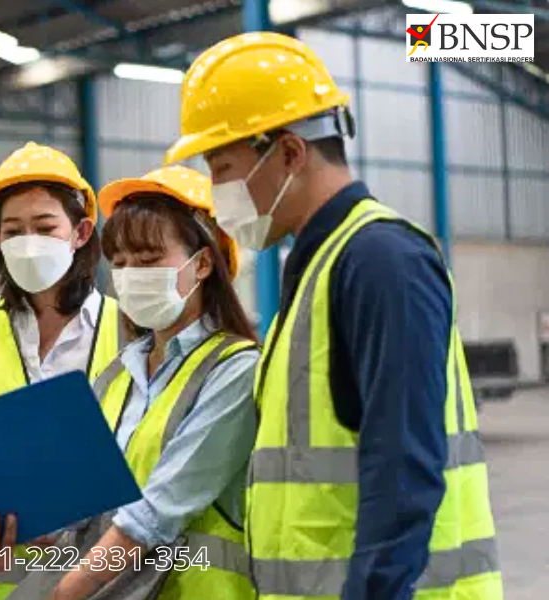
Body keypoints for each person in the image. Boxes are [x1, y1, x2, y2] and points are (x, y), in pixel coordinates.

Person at [165, 32, 503, 598]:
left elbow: (403, 471)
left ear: (291, 153)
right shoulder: (318, 269)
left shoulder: (380, 261)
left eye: (222, 167)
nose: (217, 190)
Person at [40, 165, 259, 600]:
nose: (129, 274)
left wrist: (65, 592)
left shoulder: (236, 369)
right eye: (119, 262)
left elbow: (158, 511)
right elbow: (82, 505)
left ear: (202, 264)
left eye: (148, 259)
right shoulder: (118, 374)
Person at [0, 142, 126, 600]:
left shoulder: (128, 329)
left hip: (97, 576)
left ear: (81, 232)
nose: (27, 242)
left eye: (45, 227)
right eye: (13, 230)